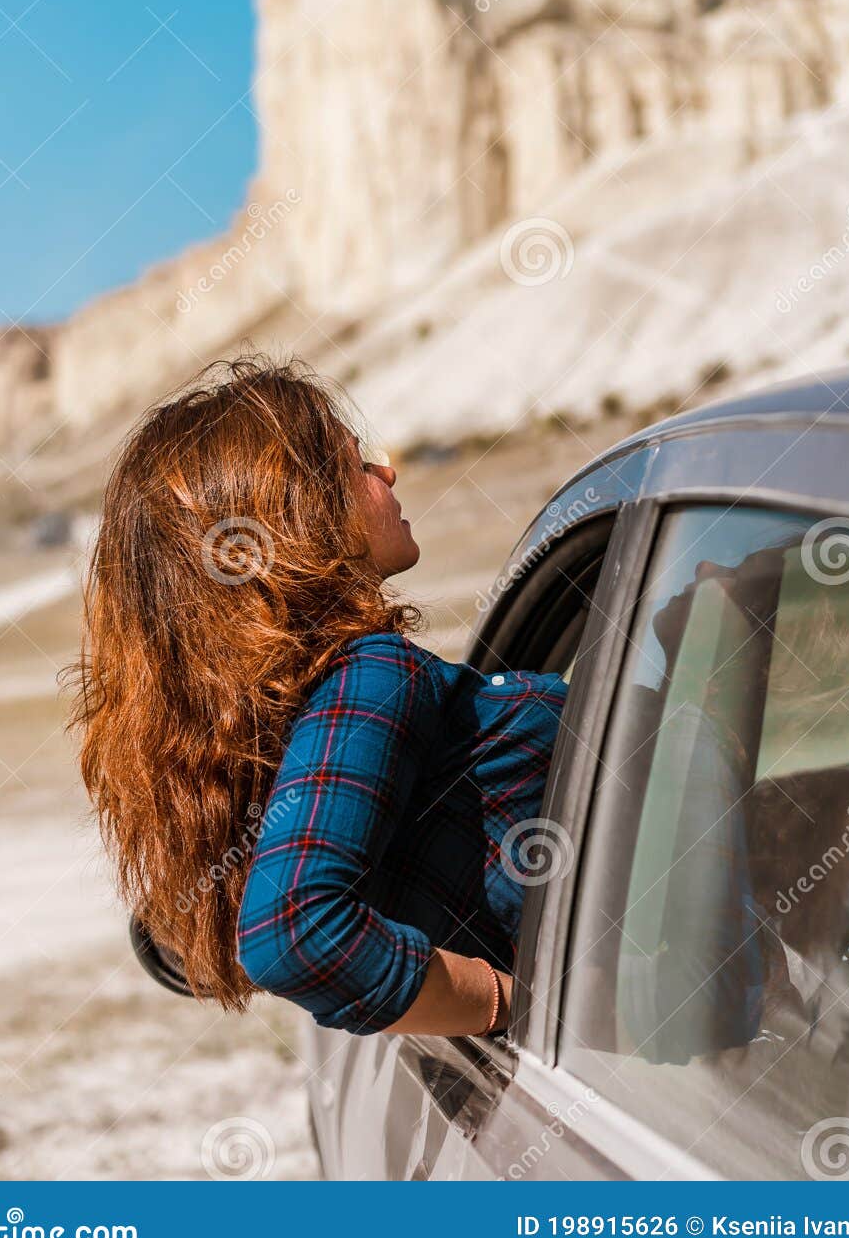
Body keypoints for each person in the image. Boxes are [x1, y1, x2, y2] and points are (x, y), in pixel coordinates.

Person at [69, 354, 570, 1039]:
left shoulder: (277, 724)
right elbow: (291, 936)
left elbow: (177, 935)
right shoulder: (370, 673)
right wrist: (529, 1011)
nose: (386, 473)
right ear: (298, 512)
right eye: (355, 465)